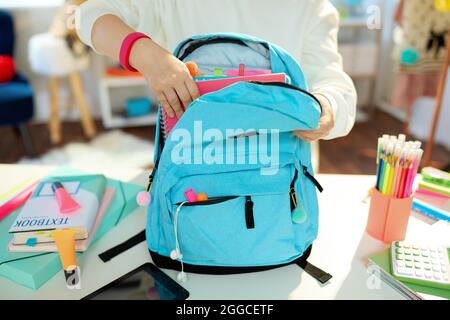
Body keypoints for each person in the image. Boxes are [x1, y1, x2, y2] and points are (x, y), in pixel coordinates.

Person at [76, 0, 356, 141]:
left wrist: (325, 108)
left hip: (279, 178)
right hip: (194, 164)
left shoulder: (311, 7)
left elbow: (334, 84)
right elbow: (92, 16)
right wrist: (149, 56)